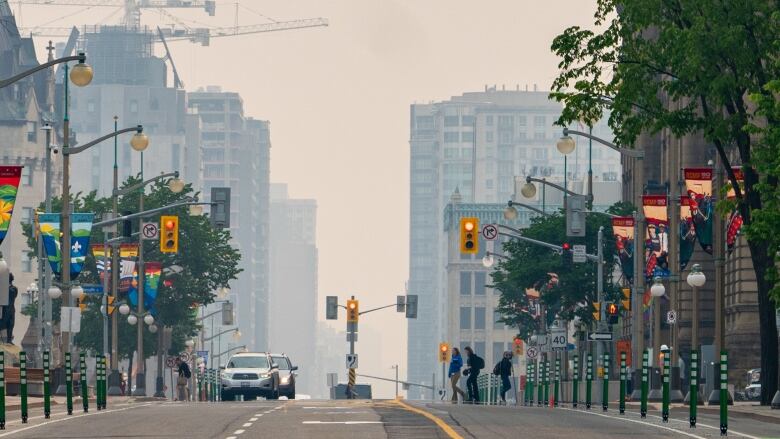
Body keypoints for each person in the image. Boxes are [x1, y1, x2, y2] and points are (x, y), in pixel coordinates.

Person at [0, 273, 18, 344]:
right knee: (3, 324)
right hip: (4, 309)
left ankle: (9, 340)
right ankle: (8, 340)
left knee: (11, 324)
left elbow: (13, 295)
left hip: (10, 309)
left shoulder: (13, 289)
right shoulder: (4, 289)